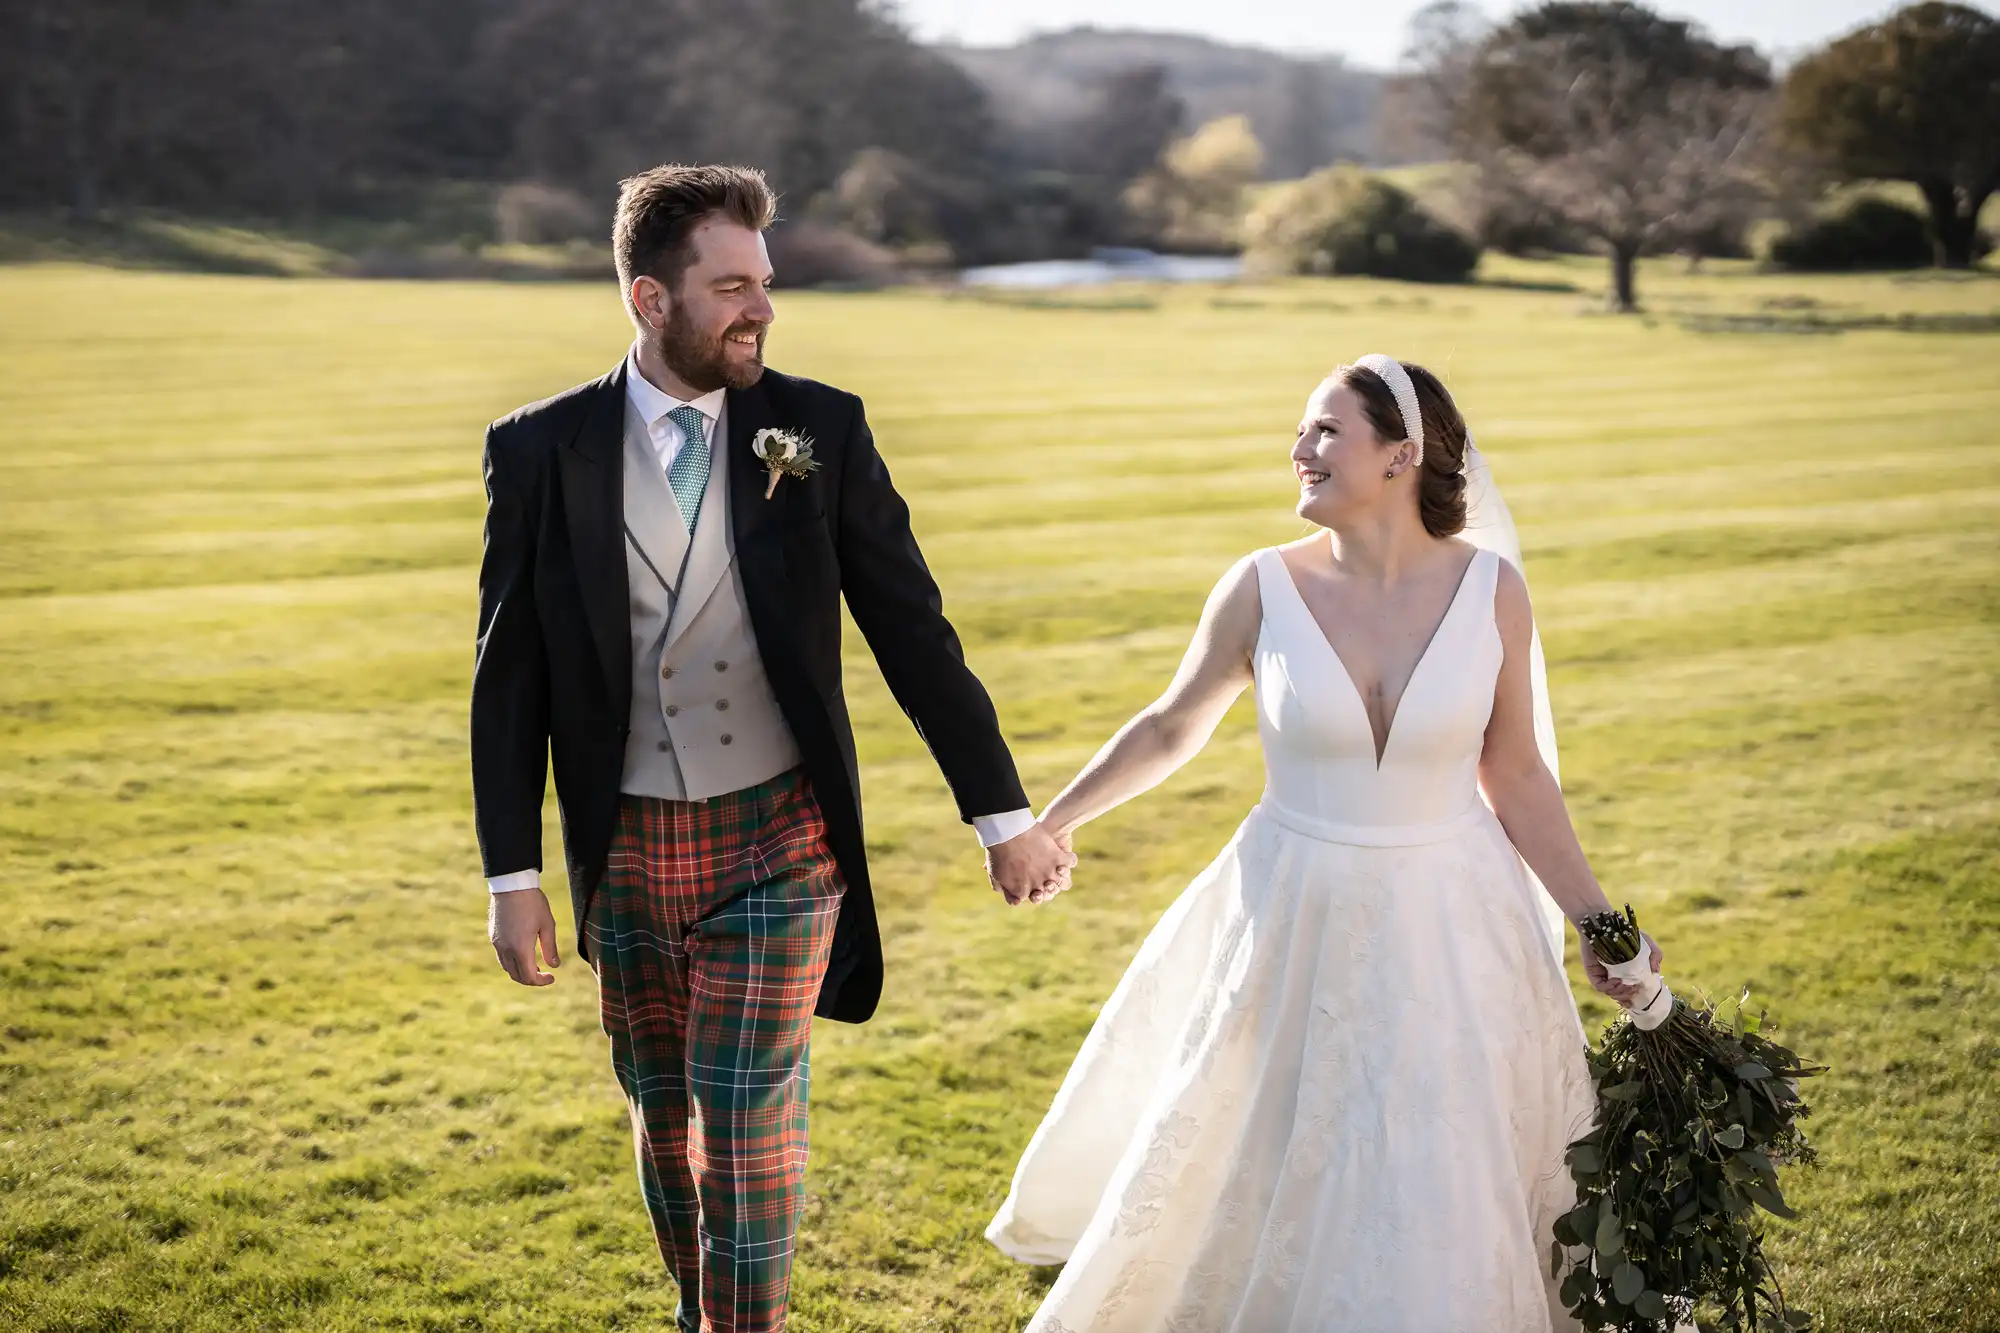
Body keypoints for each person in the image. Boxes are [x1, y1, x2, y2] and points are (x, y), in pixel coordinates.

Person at [469, 163, 1073, 1333]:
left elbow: (909, 626)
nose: (761, 310)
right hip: (629, 844)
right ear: (650, 299)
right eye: (731, 286)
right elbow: (510, 674)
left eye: (767, 284)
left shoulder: (818, 428)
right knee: (667, 1122)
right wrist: (513, 876)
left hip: (780, 840)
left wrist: (1003, 817)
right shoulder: (542, 447)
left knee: (744, 1127)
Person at [987, 355, 1663, 1332]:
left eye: (1322, 431)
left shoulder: (1491, 593)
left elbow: (1513, 774)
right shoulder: (1259, 587)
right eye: (1303, 431)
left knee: (1444, 1156)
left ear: (1399, 455)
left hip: (1451, 917)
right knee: (1277, 1136)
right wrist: (1050, 822)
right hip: (1294, 907)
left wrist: (1599, 923)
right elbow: (1172, 724)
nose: (1297, 449)